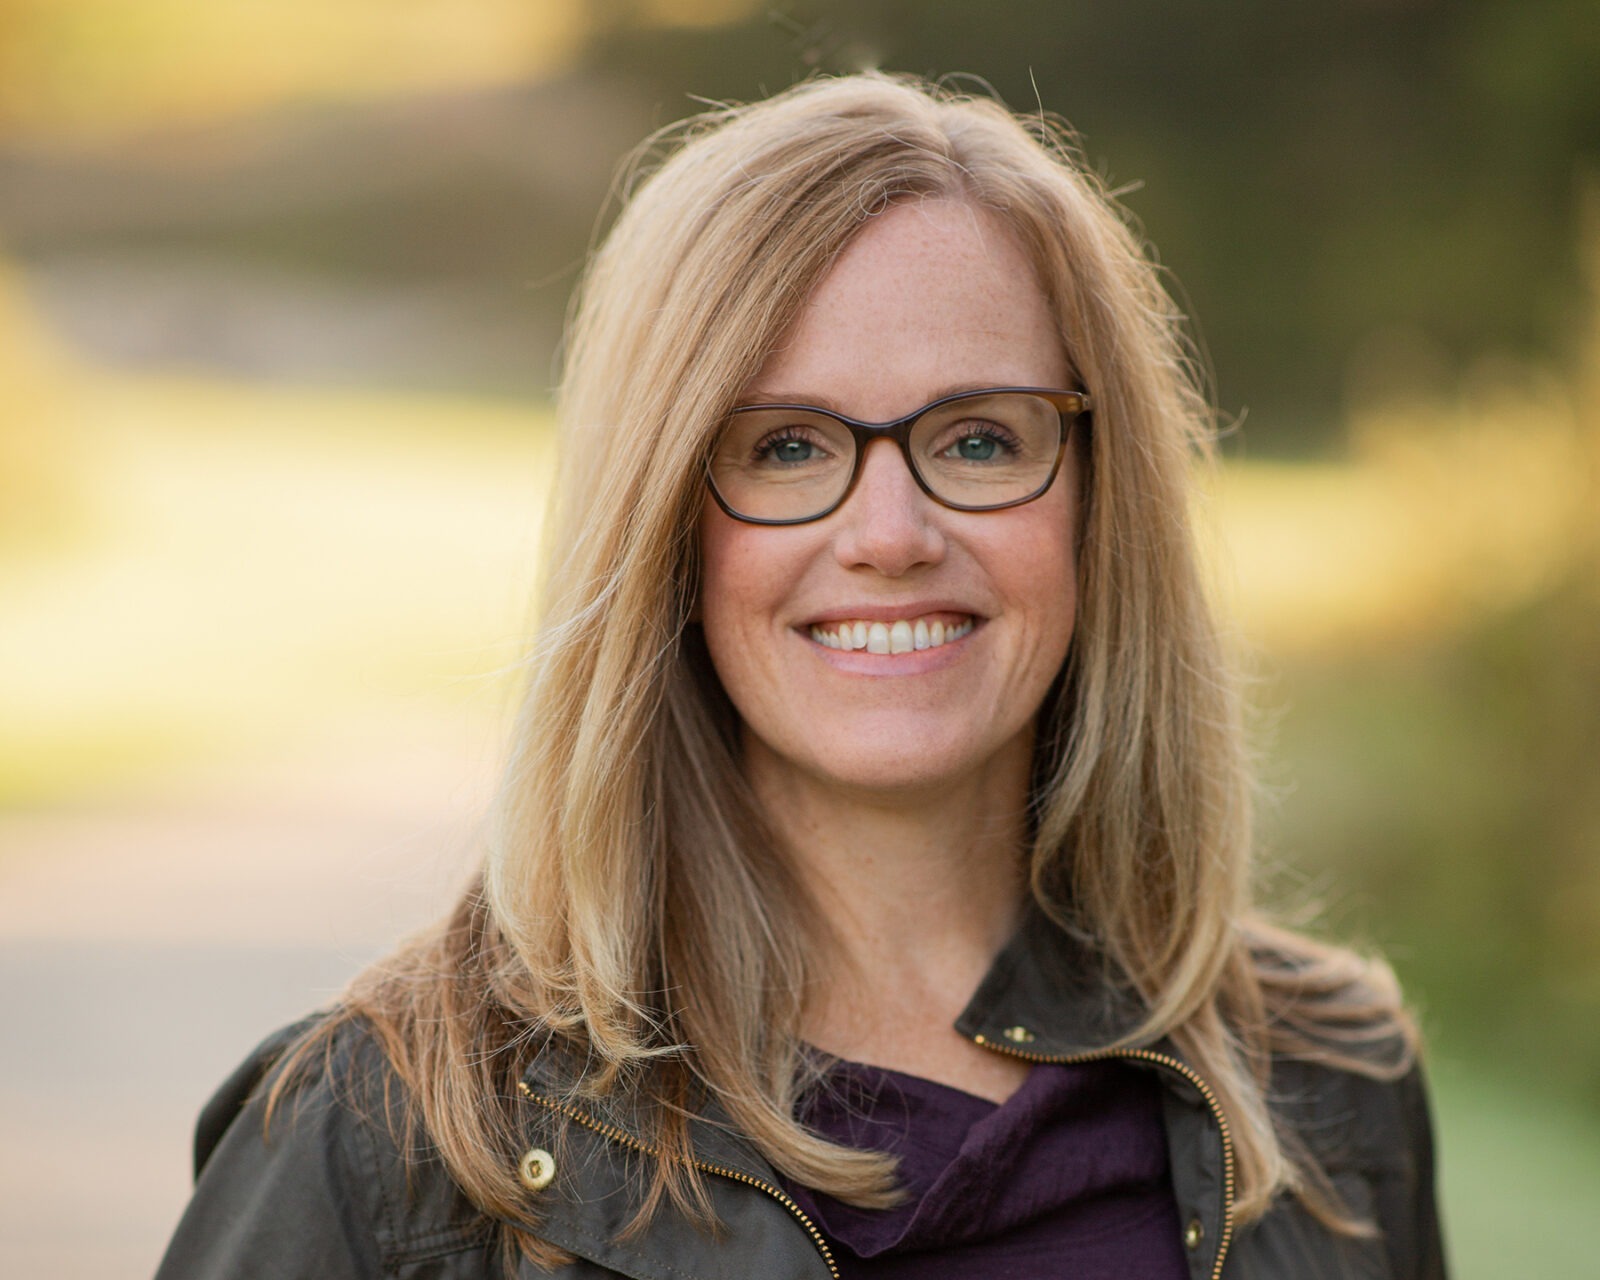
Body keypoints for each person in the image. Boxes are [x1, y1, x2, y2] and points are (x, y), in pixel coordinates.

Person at [156, 73, 1446, 1279]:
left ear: (1103, 507)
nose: (890, 536)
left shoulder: (1328, 1090)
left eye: (982, 437)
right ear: (663, 522)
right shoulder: (387, 1146)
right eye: (784, 447)